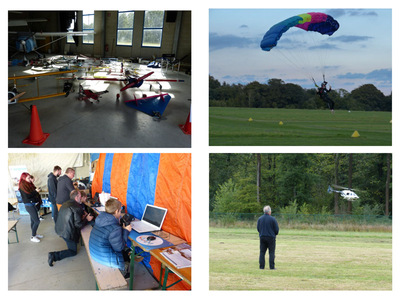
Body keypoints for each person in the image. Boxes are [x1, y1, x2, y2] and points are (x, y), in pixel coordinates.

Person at [48, 190, 93, 267]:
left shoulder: (66, 203)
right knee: (73, 251)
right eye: (79, 196)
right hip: (67, 233)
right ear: (76, 197)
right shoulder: (77, 207)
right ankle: (54, 256)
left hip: (60, 229)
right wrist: (87, 219)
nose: (80, 197)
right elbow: (78, 225)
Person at [89, 198, 132, 276]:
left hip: (94, 252)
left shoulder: (100, 218)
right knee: (124, 251)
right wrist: (126, 231)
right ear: (116, 211)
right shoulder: (115, 228)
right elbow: (120, 248)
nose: (120, 213)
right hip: (103, 258)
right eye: (120, 211)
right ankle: (124, 272)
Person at [18, 172, 43, 243]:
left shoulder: (28, 184)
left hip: (32, 204)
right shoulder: (22, 186)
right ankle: (32, 236)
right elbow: (27, 196)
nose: (30, 179)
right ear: (23, 178)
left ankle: (35, 234)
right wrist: (35, 191)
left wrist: (36, 191)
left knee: (33, 220)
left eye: (30, 177)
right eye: (28, 178)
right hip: (29, 205)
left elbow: (32, 192)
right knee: (37, 221)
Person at [257, 205, 279, 270]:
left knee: (262, 252)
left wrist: (261, 233)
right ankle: (272, 267)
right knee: (271, 252)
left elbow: (258, 228)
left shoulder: (260, 219)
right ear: (269, 211)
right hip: (271, 237)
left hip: (262, 237)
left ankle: (261, 266)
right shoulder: (273, 219)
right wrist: (274, 234)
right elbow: (276, 229)